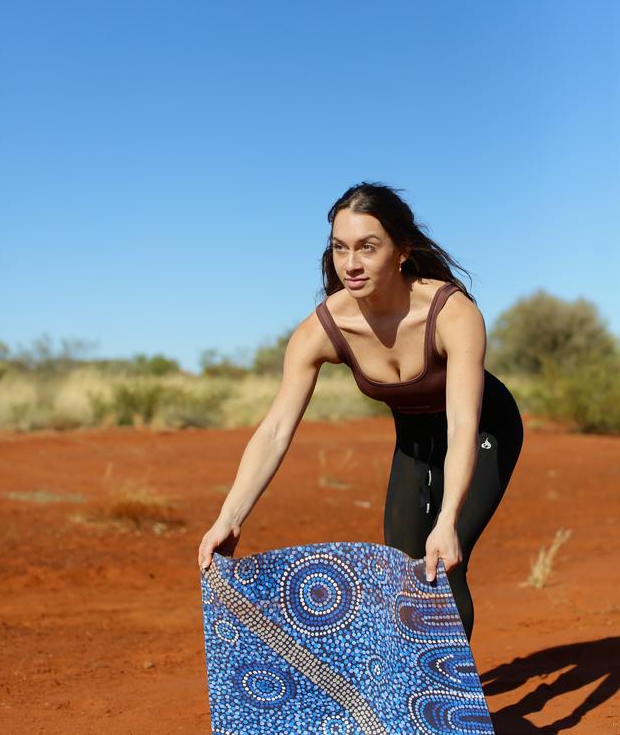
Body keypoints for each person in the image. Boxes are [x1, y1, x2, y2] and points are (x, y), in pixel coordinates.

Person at [198, 181, 524, 641]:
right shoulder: (324, 329)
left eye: (367, 247)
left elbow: (462, 424)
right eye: (340, 248)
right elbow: (274, 430)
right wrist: (229, 518)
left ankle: (449, 705)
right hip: (415, 441)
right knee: (402, 574)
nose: (350, 264)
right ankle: (416, 693)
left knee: (443, 564)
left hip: (482, 430)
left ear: (402, 251)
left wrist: (447, 519)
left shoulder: (451, 313)